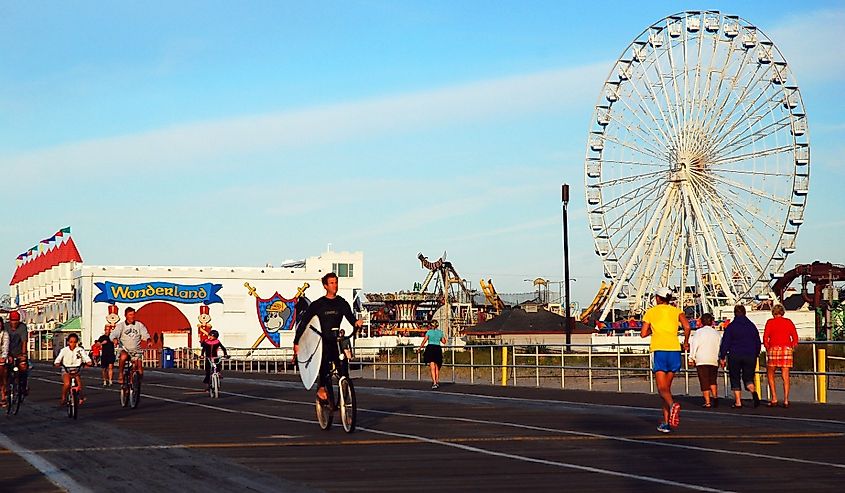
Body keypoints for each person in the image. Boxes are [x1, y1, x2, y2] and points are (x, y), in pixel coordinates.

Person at [294, 273, 363, 403]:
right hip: (323, 341)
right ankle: (321, 388)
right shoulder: (318, 305)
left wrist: (356, 323)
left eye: (336, 282)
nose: (335, 285)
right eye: (331, 283)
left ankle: (345, 407)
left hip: (337, 341)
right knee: (324, 366)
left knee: (344, 372)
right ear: (325, 286)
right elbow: (304, 323)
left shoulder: (341, 303)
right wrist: (297, 342)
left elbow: (350, 317)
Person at [640, 287, 691, 433]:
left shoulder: (651, 312)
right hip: (675, 350)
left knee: (662, 389)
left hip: (660, 349)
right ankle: (666, 422)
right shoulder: (676, 311)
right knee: (666, 390)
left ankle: (673, 405)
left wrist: (653, 330)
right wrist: (686, 342)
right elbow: (687, 326)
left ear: (657, 298)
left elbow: (643, 333)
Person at [719, 305, 762, 409]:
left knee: (735, 377)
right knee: (748, 377)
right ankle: (753, 391)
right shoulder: (751, 326)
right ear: (745, 313)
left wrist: (722, 356)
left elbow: (726, 342)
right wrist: (756, 353)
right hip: (750, 355)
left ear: (734, 313)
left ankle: (738, 402)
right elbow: (757, 342)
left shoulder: (731, 327)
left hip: (735, 355)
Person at [763, 304, 799, 408]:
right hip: (786, 349)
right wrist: (791, 346)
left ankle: (774, 398)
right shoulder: (788, 322)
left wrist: (768, 348)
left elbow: (765, 338)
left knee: (770, 373)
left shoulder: (770, 322)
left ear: (773, 313)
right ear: (782, 312)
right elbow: (795, 337)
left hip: (774, 349)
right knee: (785, 375)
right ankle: (786, 400)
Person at [110, 307, 152, 385]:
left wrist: (148, 340)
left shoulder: (139, 325)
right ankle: (120, 374)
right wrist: (114, 339)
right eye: (130, 315)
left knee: (139, 369)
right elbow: (113, 334)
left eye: (133, 314)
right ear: (126, 315)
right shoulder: (121, 325)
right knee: (123, 357)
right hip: (124, 348)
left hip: (136, 350)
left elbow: (145, 334)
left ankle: (135, 385)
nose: (132, 316)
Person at [688, 313, 721, 408]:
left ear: (702, 321)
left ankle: (707, 402)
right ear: (712, 322)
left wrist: (691, 358)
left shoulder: (699, 332)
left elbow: (694, 345)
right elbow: (720, 346)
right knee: (713, 380)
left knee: (704, 381)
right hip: (713, 359)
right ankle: (715, 397)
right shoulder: (716, 333)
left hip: (701, 359)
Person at [53, 333, 92, 406]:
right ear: (68, 342)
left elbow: (85, 357)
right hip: (66, 369)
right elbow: (58, 358)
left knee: (79, 384)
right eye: (71, 342)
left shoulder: (80, 350)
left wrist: (88, 362)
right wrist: (57, 363)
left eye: (74, 342)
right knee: (67, 384)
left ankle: (80, 397)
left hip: (77, 368)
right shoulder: (64, 350)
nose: (73, 344)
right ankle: (63, 397)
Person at [419, 320, 447, 389]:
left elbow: (424, 340)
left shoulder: (429, 332)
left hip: (430, 348)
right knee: (437, 366)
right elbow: (444, 342)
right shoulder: (440, 332)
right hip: (437, 348)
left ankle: (434, 382)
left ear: (431, 325)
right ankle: (437, 381)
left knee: (432, 367)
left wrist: (420, 348)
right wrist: (439, 338)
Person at [6, 311, 29, 396]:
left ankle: (23, 386)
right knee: (5, 369)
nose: (14, 322)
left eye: (16, 320)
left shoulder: (22, 327)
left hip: (19, 353)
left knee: (23, 367)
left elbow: (24, 341)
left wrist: (23, 355)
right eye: (12, 320)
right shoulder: (6, 327)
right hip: (7, 353)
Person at [0, 318, 8, 407]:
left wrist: (3, 357)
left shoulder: (4, 334)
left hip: (1, 356)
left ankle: (3, 395)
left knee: (2, 374)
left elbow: (5, 347)